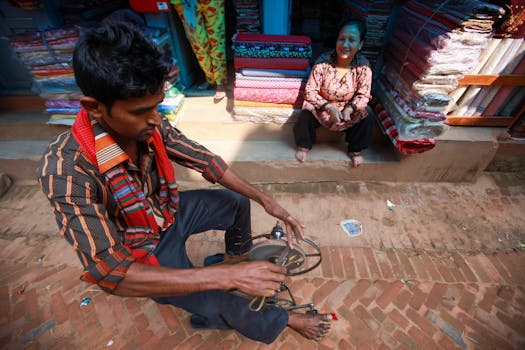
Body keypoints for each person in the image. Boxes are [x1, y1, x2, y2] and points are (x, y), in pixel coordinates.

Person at [37, 21, 332, 344]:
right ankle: (282, 317)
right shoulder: (67, 171)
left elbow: (205, 161)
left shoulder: (150, 124)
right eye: (141, 111)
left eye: (157, 105)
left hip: (166, 213)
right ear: (95, 108)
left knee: (235, 203)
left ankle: (237, 259)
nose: (155, 118)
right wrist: (224, 277)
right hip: (141, 248)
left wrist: (266, 200)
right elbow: (112, 274)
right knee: (214, 297)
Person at [293, 19, 373, 167]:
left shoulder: (363, 66)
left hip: (347, 111)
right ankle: (303, 145)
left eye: (351, 40)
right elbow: (310, 91)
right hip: (323, 108)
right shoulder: (323, 61)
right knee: (306, 110)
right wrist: (328, 107)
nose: (345, 45)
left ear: (360, 44)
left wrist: (350, 109)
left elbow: (364, 95)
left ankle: (355, 150)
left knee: (367, 113)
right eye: (341, 39)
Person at [170, 0, 228, 102]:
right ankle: (210, 78)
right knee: (198, 45)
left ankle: (220, 81)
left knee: (217, 40)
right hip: (185, 2)